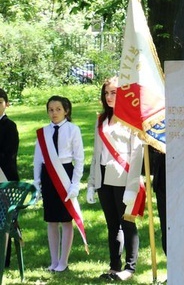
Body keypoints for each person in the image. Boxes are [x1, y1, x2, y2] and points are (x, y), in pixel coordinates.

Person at [86, 77, 144, 281]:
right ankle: (114, 266)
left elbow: (137, 154)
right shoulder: (101, 119)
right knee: (112, 225)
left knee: (127, 223)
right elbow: (96, 153)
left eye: (114, 93)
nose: (109, 97)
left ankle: (130, 267)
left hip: (123, 178)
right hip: (103, 178)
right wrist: (92, 183)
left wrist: (132, 186)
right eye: (106, 93)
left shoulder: (132, 118)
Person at [33, 96, 85, 273]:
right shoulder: (43, 132)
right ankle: (54, 261)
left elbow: (79, 158)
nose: (54, 113)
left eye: (58, 109)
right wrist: (37, 182)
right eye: (50, 110)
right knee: (51, 219)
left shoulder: (73, 130)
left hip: (65, 174)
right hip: (48, 176)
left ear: (66, 111)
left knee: (65, 219)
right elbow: (38, 159)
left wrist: (75, 184)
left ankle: (64, 260)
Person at [0, 87, 20, 268]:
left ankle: (3, 259)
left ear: (6, 104)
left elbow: (9, 155)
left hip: (5, 178)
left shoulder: (10, 126)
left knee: (3, 219)